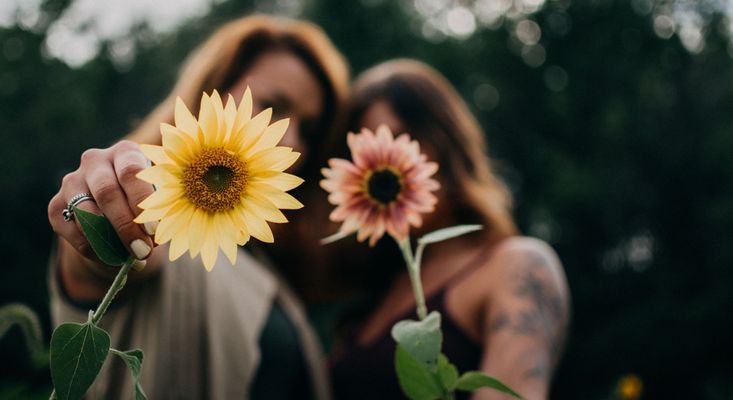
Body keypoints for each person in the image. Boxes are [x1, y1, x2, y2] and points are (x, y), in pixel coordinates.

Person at [47, 15, 349, 400]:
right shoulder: (154, 214)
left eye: (308, 129)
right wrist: (100, 218)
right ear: (214, 91)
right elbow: (120, 260)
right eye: (274, 105)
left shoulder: (258, 257)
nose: (290, 139)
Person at [327, 59, 570, 400]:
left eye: (401, 140)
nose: (383, 166)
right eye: (361, 156)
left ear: (447, 142)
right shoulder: (376, 294)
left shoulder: (515, 268)